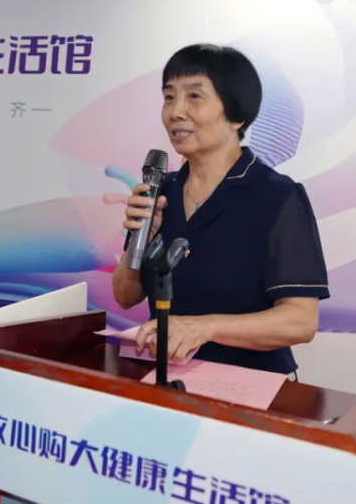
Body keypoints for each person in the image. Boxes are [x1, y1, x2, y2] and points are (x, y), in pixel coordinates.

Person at [111, 44, 329, 376]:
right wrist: (141, 240)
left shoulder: (277, 195)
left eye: (194, 96)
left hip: (252, 384)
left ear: (237, 114)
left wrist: (206, 327)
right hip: (167, 378)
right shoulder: (161, 192)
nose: (176, 111)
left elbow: (300, 321)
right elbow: (125, 296)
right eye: (169, 97)